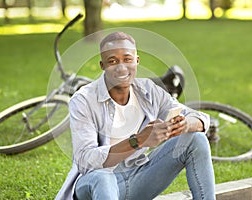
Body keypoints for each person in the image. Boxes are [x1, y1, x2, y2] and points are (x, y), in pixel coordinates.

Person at [55, 32, 215, 200]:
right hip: (95, 186)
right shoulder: (83, 100)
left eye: (127, 59)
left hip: (137, 179)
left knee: (196, 139)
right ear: (102, 65)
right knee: (103, 177)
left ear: (137, 61)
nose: (122, 67)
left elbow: (199, 118)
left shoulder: (148, 90)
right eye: (112, 61)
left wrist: (185, 125)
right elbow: (85, 160)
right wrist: (138, 140)